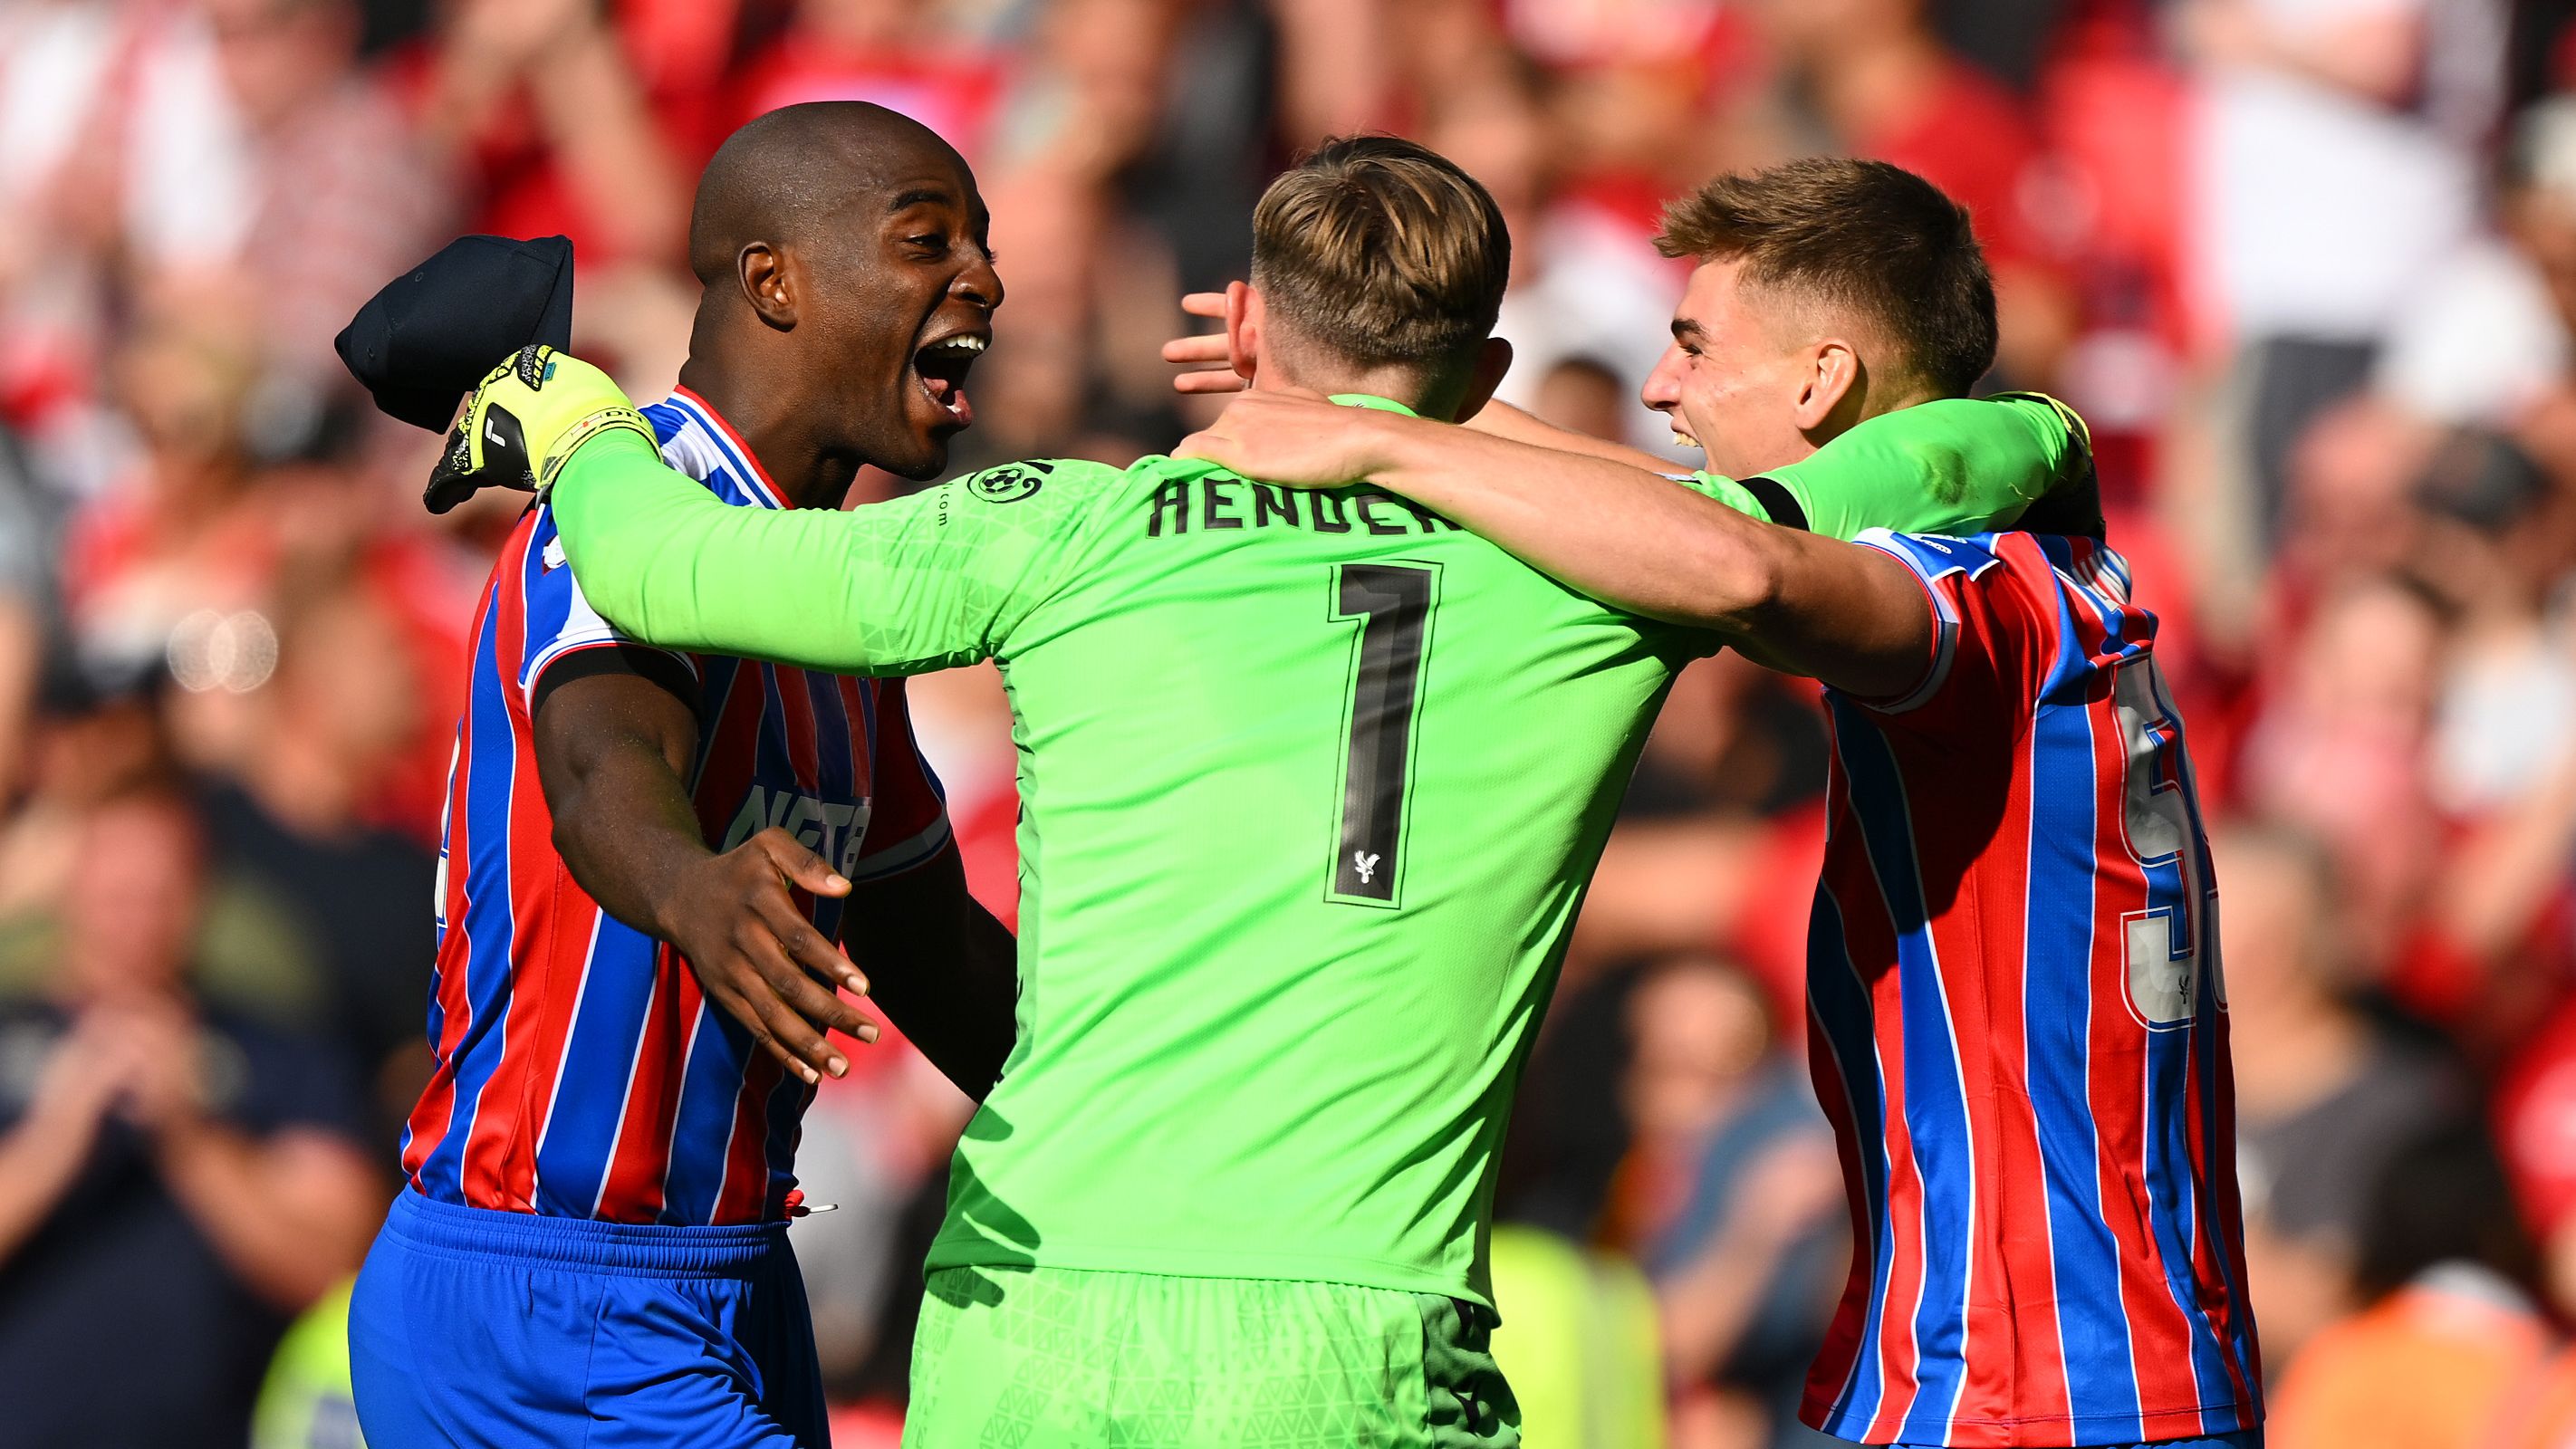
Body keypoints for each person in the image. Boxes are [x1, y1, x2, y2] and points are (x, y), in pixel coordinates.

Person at [451, 136, 2087, 1444]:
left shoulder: (1060, 527)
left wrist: (576, 420)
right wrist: (1432, 432)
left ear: (1252, 324)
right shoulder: (1608, 577)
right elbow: (1983, 452)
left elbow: (664, 568)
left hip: (1028, 1319)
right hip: (1348, 1336)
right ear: (1485, 364)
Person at [1176, 156, 2261, 1448]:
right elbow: (1700, 520)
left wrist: (1378, 440)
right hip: (2066, 1360)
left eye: (1693, 346)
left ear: (1821, 380)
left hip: (2039, 1383)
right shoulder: (2044, 572)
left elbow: (1737, 567)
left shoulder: (1970, 600)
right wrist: (1363, 394)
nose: (1658, 386)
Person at [345, 101, 1021, 1449]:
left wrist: (1178, 1101)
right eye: (927, 241)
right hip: (550, 1294)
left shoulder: (823, 585)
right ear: (774, 280)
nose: (984, 281)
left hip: (735, 1277)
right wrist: (692, 885)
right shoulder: (635, 501)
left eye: (984, 245)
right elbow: (601, 764)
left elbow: (932, 947)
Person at [0, 789, 380, 1449]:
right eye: (116, 893)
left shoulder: (278, 1057)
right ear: (71, 889)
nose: (134, 920)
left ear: (200, 900)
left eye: (158, 895)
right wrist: (56, 1137)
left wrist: (190, 1136)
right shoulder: (10, 1037)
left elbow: (334, 1266)